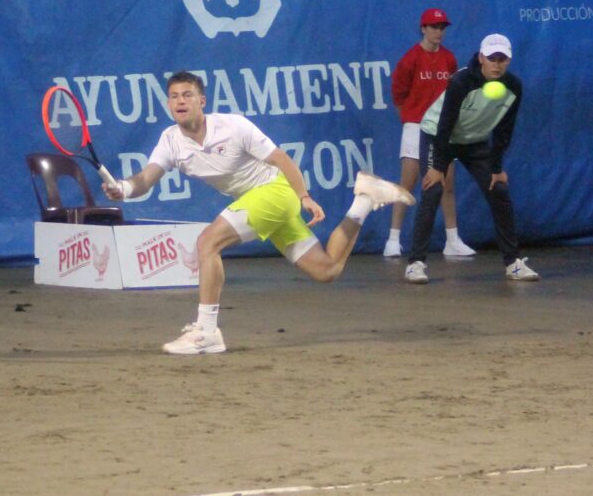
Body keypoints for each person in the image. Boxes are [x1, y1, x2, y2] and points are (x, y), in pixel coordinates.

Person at [103, 71, 416, 355]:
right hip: (262, 204)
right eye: (174, 96)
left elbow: (282, 160)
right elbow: (145, 179)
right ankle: (364, 199)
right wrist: (123, 189)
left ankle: (207, 331)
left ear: (202, 101)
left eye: (187, 95)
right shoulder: (170, 141)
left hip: (276, 193)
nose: (180, 101)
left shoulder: (233, 126)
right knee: (327, 270)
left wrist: (303, 195)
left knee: (207, 243)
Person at [405, 34, 539, 284]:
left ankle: (513, 263)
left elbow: (503, 130)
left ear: (509, 60)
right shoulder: (461, 81)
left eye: (502, 59)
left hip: (474, 141)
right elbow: (445, 124)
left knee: (498, 189)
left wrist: (496, 168)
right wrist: (436, 167)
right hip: (438, 134)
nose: (497, 64)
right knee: (433, 190)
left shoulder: (514, 87)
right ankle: (415, 263)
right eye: (492, 58)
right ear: (481, 58)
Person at [385, 8, 475, 260]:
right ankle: (393, 239)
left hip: (443, 129)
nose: (439, 32)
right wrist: (413, 119)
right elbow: (399, 96)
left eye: (442, 27)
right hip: (416, 126)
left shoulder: (449, 59)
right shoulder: (410, 59)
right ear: (423, 29)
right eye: (434, 27)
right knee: (408, 184)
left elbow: (455, 93)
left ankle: (453, 240)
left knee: (446, 184)